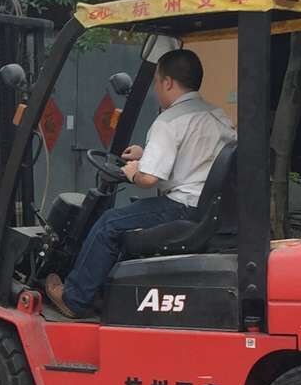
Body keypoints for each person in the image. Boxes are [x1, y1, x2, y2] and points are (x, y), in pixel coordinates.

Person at [44, 48, 235, 319]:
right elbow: (197, 159)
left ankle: (74, 298)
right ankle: (102, 291)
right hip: (207, 207)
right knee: (126, 220)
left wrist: (134, 171)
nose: (156, 88)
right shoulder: (217, 116)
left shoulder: (169, 120)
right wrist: (146, 156)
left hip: (182, 206)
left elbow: (148, 179)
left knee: (109, 223)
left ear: (168, 82)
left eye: (156, 81)